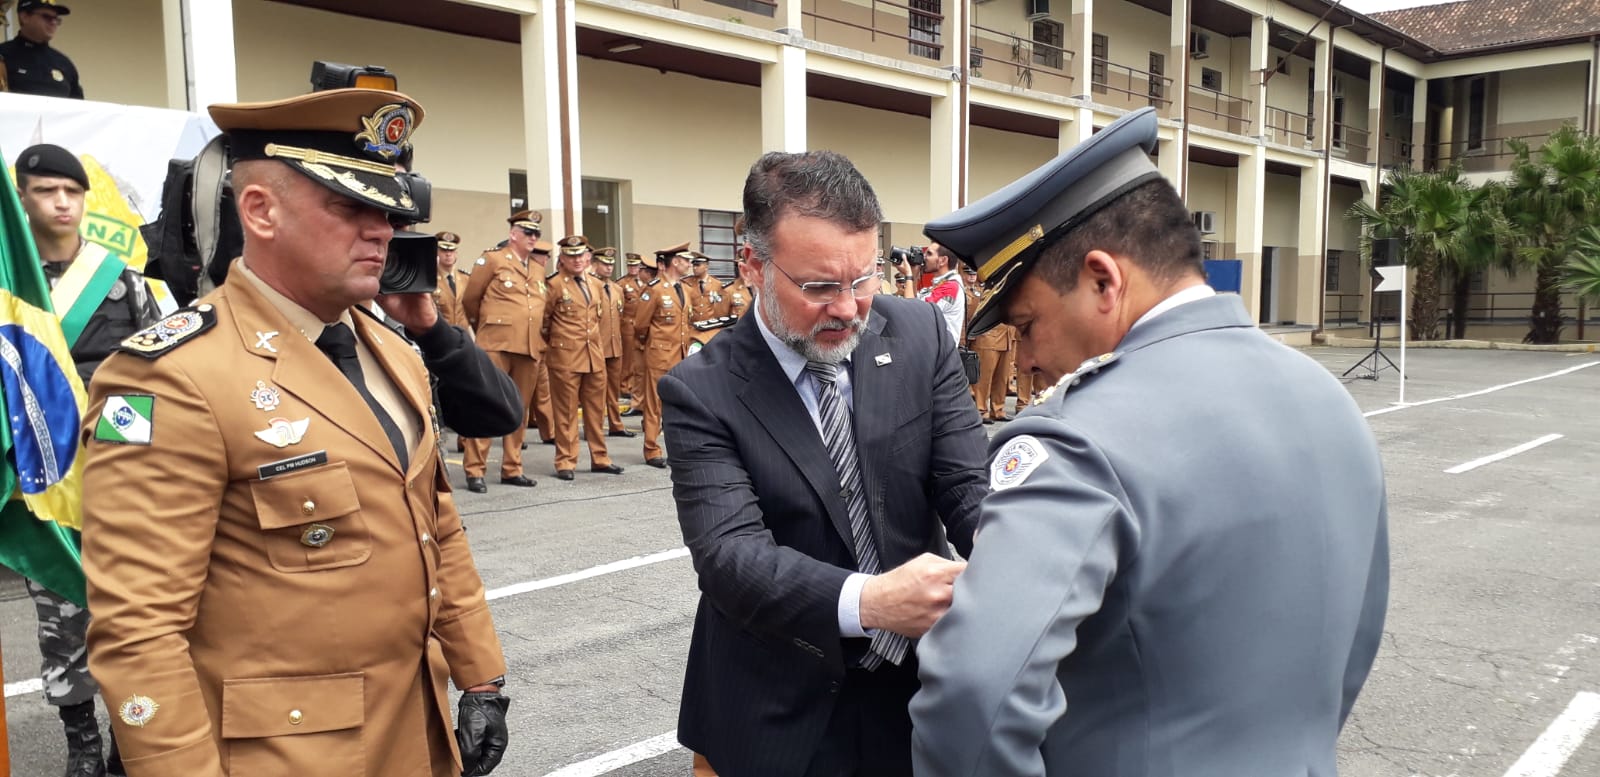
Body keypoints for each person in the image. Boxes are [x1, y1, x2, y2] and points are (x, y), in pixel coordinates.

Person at [908, 107, 1389, 777]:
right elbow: (1351, 649)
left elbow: (974, 693)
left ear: (1104, 280)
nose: (1025, 361)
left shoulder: (1076, 441)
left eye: (1027, 324)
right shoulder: (1329, 401)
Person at [82, 88, 511, 777]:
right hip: (286, 754)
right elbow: (139, 630)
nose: (382, 230)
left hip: (416, 732)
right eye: (351, 207)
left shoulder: (391, 348)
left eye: (389, 210)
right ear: (260, 210)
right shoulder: (173, 376)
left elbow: (436, 522)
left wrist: (480, 674)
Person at [659, 150, 990, 777]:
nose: (847, 307)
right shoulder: (702, 389)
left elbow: (968, 485)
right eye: (818, 286)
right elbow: (730, 556)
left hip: (918, 689)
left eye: (864, 279)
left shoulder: (918, 335)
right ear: (752, 265)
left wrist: (1023, 563)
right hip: (777, 701)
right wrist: (868, 601)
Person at [16, 143, 154, 777]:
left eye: (71, 191)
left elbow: (157, 376)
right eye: (46, 191)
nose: (62, 202)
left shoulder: (123, 281)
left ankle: (131, 739)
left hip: (117, 478)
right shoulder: (7, 286)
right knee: (62, 619)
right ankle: (82, 744)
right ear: (22, 199)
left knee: (130, 614)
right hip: (44, 483)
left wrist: (120, 447)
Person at [459, 210, 552, 493]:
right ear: (513, 234)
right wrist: (486, 328)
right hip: (496, 344)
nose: (533, 238)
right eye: (528, 233)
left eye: (536, 234)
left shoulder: (536, 269)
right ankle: (475, 469)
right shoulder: (493, 260)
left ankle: (512, 468)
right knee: (487, 405)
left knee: (519, 410)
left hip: (528, 346)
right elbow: (471, 299)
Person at [543, 235, 624, 480]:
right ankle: (566, 461)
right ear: (563, 259)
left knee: (595, 410)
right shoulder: (554, 284)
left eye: (580, 255)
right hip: (566, 357)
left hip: (594, 357)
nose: (577, 260)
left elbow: (597, 320)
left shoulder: (596, 284)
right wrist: (557, 347)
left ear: (588, 258)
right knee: (566, 412)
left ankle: (600, 458)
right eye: (571, 256)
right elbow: (543, 322)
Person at [633, 244, 697, 469]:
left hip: (680, 355)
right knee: (654, 404)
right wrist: (650, 346)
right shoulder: (655, 289)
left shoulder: (685, 288)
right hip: (659, 355)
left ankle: (675, 448)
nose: (690, 264)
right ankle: (652, 450)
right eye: (685, 260)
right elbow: (640, 325)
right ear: (674, 262)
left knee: (676, 405)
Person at [591, 247, 634, 438]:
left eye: (611, 264)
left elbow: (620, 316)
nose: (608, 268)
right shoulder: (590, 286)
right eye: (604, 264)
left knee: (613, 390)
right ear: (595, 264)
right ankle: (596, 427)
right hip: (596, 345)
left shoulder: (617, 289)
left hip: (615, 345)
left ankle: (616, 424)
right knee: (596, 390)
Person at [0, 0, 83, 99]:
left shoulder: (64, 63)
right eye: (47, 17)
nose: (53, 22)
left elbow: (79, 108)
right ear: (24, 17)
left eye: (56, 19)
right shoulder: (3, 55)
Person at [968, 286, 1014, 424]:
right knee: (984, 378)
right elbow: (974, 312)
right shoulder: (986, 290)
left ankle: (998, 409)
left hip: (1005, 336)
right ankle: (981, 410)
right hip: (988, 337)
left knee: (1002, 377)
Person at [915, 244, 964, 346]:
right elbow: (913, 302)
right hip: (933, 350)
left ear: (943, 260)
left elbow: (914, 312)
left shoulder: (950, 287)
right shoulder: (939, 285)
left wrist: (909, 276)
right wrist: (913, 275)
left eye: (929, 254)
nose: (924, 257)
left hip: (940, 354)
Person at [619, 252, 646, 411]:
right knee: (628, 357)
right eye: (630, 265)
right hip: (628, 323)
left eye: (636, 266)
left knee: (639, 361)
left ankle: (633, 386)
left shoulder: (645, 283)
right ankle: (624, 386)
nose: (633, 268)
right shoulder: (622, 283)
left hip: (641, 323)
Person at [433, 231, 468, 330]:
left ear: (456, 254)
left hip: (463, 336)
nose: (448, 254)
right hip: (440, 334)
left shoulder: (466, 279)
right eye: (444, 250)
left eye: (451, 251)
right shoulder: (430, 280)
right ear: (437, 252)